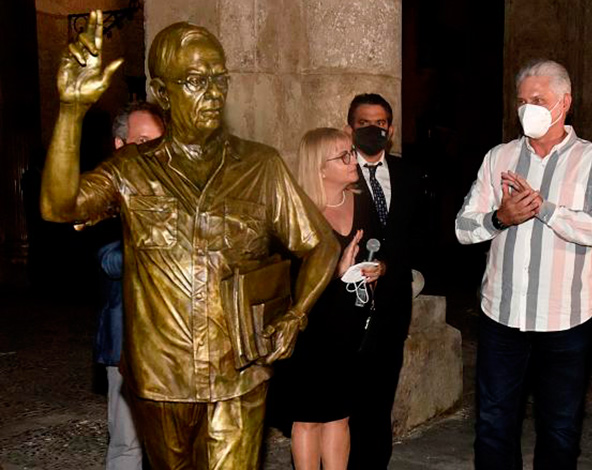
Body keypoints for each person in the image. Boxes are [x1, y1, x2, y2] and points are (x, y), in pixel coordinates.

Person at [39, 11, 338, 469]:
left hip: (238, 374)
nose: (214, 93)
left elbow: (321, 244)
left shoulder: (260, 166)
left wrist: (296, 314)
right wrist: (70, 112)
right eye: (196, 82)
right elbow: (59, 206)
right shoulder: (132, 170)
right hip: (162, 377)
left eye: (220, 79)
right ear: (162, 93)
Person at [455, 59, 592, 470]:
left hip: (565, 320)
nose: (527, 107)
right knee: (494, 425)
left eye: (538, 99)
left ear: (564, 102)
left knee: (560, 429)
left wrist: (545, 209)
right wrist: (501, 218)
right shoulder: (499, 157)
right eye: (521, 100)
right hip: (501, 317)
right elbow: (462, 227)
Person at [283, 128, 384, 470]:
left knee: (340, 415)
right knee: (309, 417)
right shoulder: (299, 213)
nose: (352, 159)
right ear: (319, 168)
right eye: (343, 156)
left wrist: (378, 268)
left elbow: (383, 247)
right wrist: (334, 273)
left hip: (350, 328)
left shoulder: (363, 199)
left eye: (351, 152)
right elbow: (288, 283)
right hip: (310, 330)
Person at [344, 93, 418, 470]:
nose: (374, 130)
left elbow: (414, 235)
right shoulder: (340, 173)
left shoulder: (406, 173)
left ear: (390, 128)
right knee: (348, 393)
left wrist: (398, 270)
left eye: (381, 123)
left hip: (393, 303)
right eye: (364, 124)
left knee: (382, 390)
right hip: (348, 304)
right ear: (350, 128)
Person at [95, 101, 164, 470]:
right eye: (143, 140)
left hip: (178, 344)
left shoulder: (176, 189)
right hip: (128, 343)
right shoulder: (105, 192)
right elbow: (109, 260)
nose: (153, 150)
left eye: (159, 141)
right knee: (127, 444)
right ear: (121, 145)